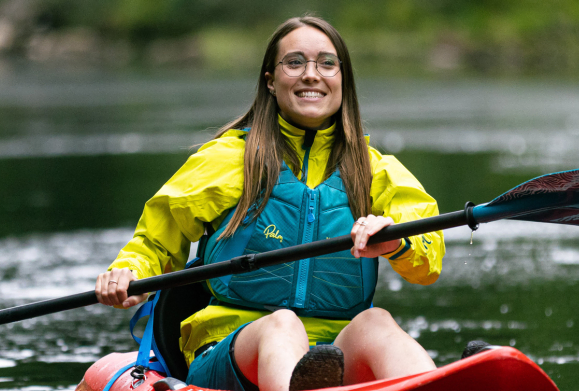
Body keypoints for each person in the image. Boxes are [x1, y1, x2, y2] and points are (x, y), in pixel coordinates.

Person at [95, 16, 445, 391]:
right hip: (233, 350)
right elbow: (156, 241)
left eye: (327, 63)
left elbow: (429, 261)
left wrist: (395, 242)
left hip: (337, 353)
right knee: (282, 324)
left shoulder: (375, 170)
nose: (312, 74)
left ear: (342, 79)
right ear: (270, 80)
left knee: (377, 322)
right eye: (294, 62)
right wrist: (129, 272)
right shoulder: (229, 159)